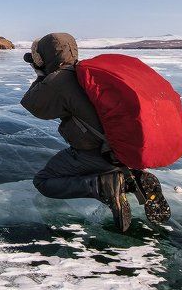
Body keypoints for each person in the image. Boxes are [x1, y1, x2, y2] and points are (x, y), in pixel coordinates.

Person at [20, 32, 168, 232]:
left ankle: (102, 186)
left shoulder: (59, 80)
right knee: (102, 158)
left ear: (45, 57)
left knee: (44, 181)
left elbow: (32, 104)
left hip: (94, 153)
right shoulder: (85, 72)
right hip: (121, 150)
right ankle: (132, 179)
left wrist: (40, 75)